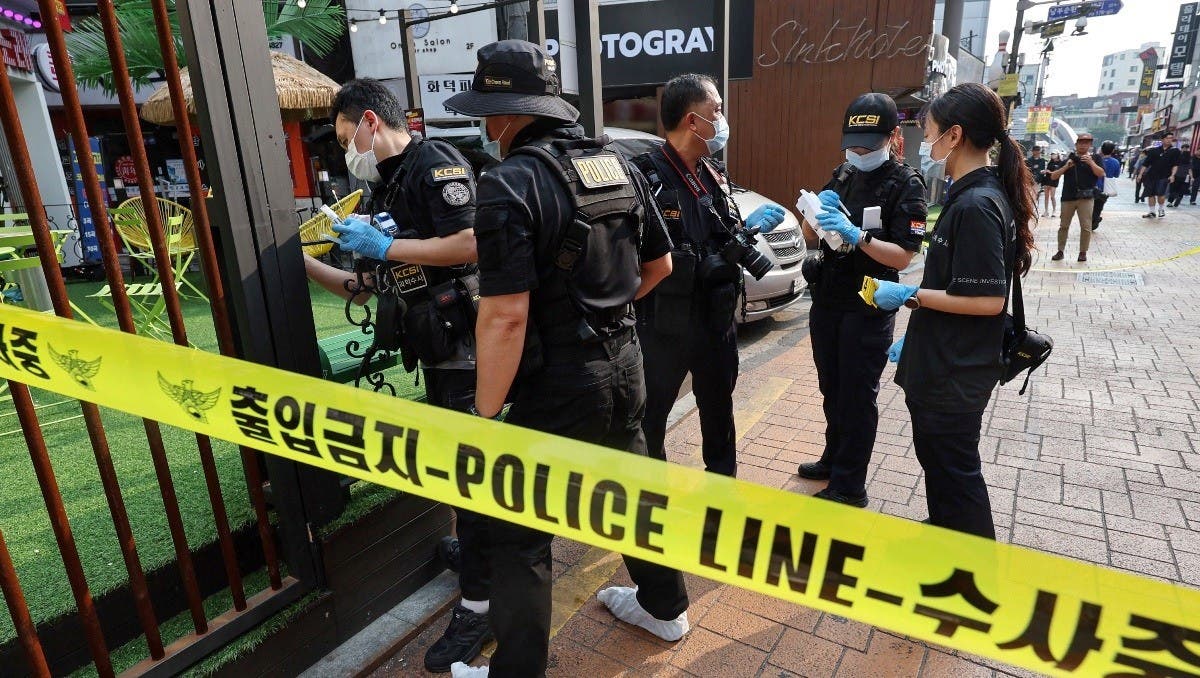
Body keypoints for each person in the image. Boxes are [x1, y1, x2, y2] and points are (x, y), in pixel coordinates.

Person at [443, 40, 688, 678]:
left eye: (488, 112)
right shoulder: (618, 162)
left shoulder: (508, 182)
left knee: (519, 532)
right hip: (626, 363)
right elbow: (659, 265)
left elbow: (505, 316)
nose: (486, 126)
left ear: (507, 114)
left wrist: (485, 415)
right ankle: (666, 608)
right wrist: (602, 315)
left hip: (556, 384)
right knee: (632, 494)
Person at [302, 78, 492, 674]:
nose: (346, 153)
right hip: (436, 350)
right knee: (460, 471)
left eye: (345, 139)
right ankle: (479, 558)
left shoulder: (433, 162)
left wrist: (385, 249)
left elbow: (470, 243)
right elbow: (367, 286)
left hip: (467, 347)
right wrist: (301, 263)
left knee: (472, 475)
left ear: (368, 122)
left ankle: (481, 605)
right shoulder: (387, 185)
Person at [867, 81, 1034, 539]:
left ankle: (973, 564)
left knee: (957, 475)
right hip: (944, 360)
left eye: (930, 132)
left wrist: (911, 295)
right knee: (940, 466)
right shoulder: (969, 195)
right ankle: (945, 535)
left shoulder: (977, 204)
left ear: (954, 135)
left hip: (955, 372)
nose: (926, 143)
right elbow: (958, 284)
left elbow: (988, 301)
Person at [630, 73, 786, 478]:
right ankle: (653, 496)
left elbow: (722, 230)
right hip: (664, 326)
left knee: (719, 411)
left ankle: (721, 489)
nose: (722, 119)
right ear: (692, 121)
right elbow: (634, 256)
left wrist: (745, 232)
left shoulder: (712, 172)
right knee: (651, 419)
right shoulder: (644, 176)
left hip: (716, 321)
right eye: (716, 110)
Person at [793, 92, 926, 507]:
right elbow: (812, 232)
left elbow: (903, 255)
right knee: (831, 387)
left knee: (856, 395)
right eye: (853, 144)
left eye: (868, 145)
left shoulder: (906, 184)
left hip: (868, 304)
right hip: (829, 298)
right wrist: (814, 213)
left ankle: (850, 485)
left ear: (892, 136)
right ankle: (833, 458)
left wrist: (860, 236)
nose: (859, 152)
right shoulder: (843, 173)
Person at [1047, 133, 1103, 263]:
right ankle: (1060, 251)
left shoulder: (1095, 158)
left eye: (1086, 143)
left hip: (1086, 198)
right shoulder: (1069, 159)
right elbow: (1053, 176)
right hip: (1068, 197)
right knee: (1063, 226)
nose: (1083, 145)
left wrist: (1091, 163)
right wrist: (1066, 166)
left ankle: (1083, 252)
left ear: (1090, 145)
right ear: (1076, 145)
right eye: (1081, 143)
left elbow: (1101, 174)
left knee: (1086, 226)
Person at [1138, 132, 1181, 218]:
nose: (1169, 140)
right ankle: (1152, 212)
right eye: (1167, 138)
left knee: (1161, 194)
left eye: (1171, 138)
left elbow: (1175, 165)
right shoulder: (1154, 150)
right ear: (1162, 139)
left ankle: (1161, 209)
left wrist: (1172, 175)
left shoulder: (1175, 151)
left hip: (1164, 176)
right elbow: (1146, 164)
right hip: (1151, 176)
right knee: (1150, 194)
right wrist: (1140, 174)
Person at [1092, 140, 1122, 230]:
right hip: (1106, 188)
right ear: (1112, 150)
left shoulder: (1096, 160)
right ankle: (1095, 220)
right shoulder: (1116, 162)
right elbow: (1116, 175)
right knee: (1099, 206)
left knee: (1090, 205)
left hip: (1094, 185)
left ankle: (1094, 220)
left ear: (1101, 149)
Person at [1026, 145, 1047, 217]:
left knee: (1036, 195)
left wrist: (1037, 180)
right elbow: (1028, 170)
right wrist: (1034, 168)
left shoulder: (1042, 160)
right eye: (1036, 151)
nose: (1037, 153)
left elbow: (1041, 171)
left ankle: (1034, 210)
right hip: (1030, 180)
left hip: (1038, 181)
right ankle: (1030, 210)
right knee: (1030, 195)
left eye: (1038, 151)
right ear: (1033, 152)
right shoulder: (1029, 160)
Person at [1041, 151, 1063, 218]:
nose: (1052, 155)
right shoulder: (1050, 162)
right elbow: (1047, 170)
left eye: (1054, 154)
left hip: (1054, 180)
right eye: (1052, 154)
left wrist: (1049, 172)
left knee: (1052, 197)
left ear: (1057, 155)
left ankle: (1054, 211)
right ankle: (1046, 211)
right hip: (1047, 180)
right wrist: (1044, 171)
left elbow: (1059, 172)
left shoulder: (1060, 162)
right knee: (1046, 196)